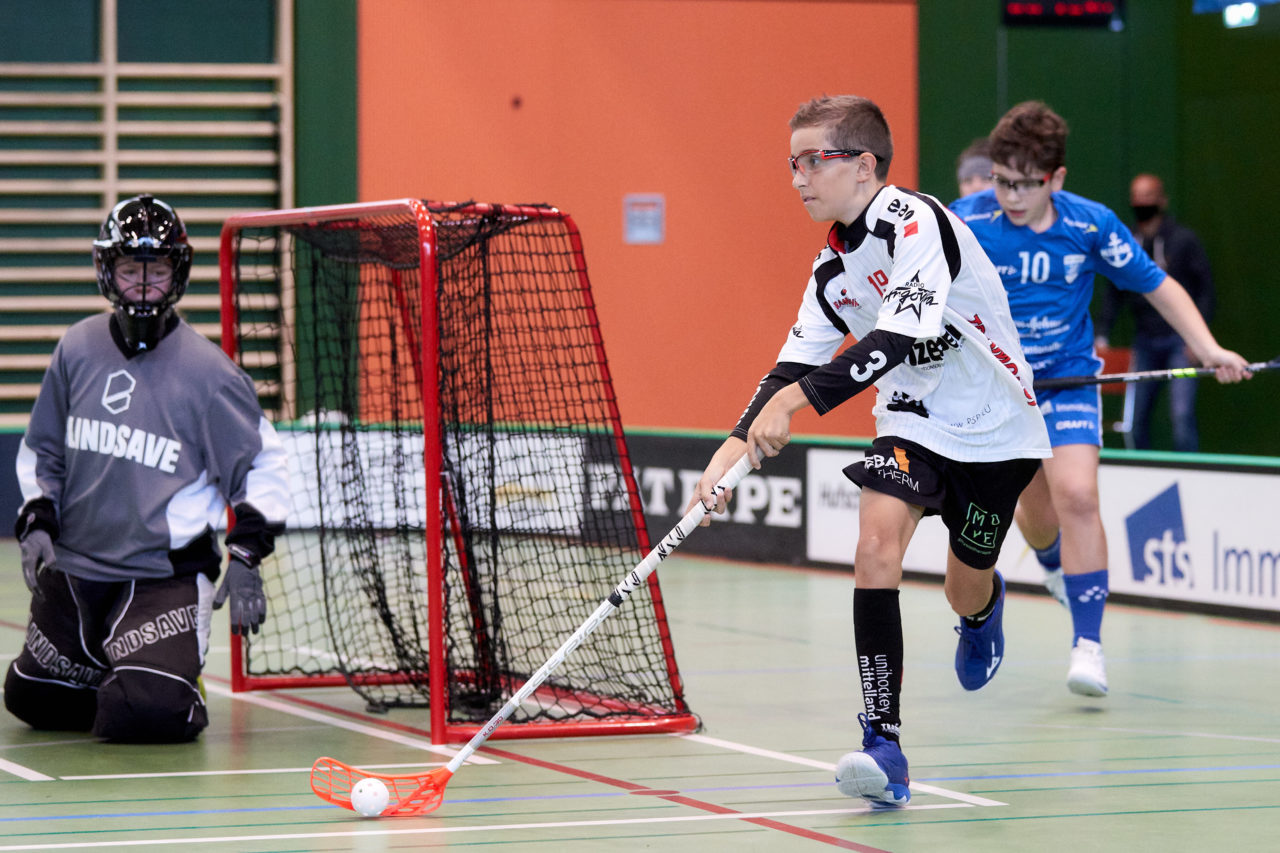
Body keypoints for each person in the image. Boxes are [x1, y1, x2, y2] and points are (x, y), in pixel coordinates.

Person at [688, 95, 1051, 808]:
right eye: (791, 163)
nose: (797, 177)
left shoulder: (916, 222)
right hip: (911, 420)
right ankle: (884, 744)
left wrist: (797, 404)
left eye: (811, 160)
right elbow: (790, 367)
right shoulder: (832, 269)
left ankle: (981, 614)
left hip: (997, 426)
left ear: (862, 165)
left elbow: (900, 336)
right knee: (875, 547)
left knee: (964, 584)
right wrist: (729, 450)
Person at [949, 103, 1251, 697]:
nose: (1010, 196)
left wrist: (1208, 348)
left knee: (1079, 495)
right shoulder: (965, 220)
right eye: (1002, 181)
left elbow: (1159, 286)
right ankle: (1054, 565)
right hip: (998, 390)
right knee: (1034, 515)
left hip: (1067, 379)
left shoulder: (1091, 225)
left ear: (1057, 178)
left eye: (1026, 184)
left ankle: (1088, 644)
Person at [6, 195, 290, 742]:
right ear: (106, 271)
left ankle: (166, 680)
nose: (141, 285)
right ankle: (119, 665)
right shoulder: (76, 348)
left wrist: (248, 553)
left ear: (176, 274)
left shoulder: (211, 374)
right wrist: (38, 518)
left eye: (155, 270)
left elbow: (261, 463)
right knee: (32, 698)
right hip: (80, 567)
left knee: (145, 713)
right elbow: (43, 449)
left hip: (163, 578)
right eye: (129, 269)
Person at [1095, 173, 1215, 451]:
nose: (1141, 203)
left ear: (1162, 200)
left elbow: (1205, 292)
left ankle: (1189, 472)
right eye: (1136, 197)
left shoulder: (1183, 241)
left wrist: (1199, 341)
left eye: (1148, 197)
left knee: (1181, 415)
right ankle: (1141, 469)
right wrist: (1102, 334)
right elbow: (1114, 292)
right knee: (1136, 418)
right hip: (1145, 340)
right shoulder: (1126, 242)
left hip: (1180, 341)